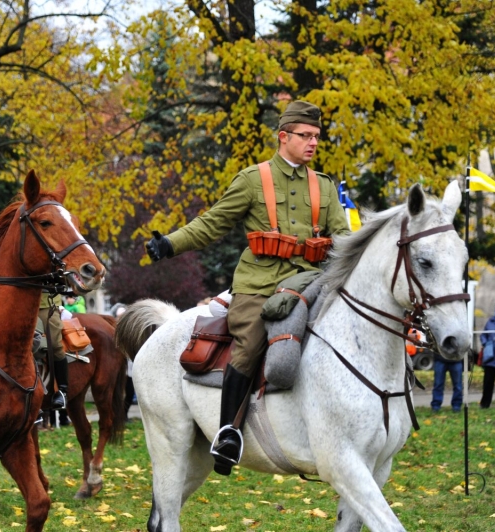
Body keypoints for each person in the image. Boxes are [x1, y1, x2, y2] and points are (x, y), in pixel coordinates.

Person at [145, 100, 349, 475]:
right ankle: (228, 433)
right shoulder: (252, 180)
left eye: (317, 137)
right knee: (251, 341)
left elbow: (345, 238)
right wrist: (170, 244)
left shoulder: (324, 185)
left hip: (311, 281)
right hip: (260, 286)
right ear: (283, 136)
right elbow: (213, 223)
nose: (313, 143)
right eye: (305, 136)